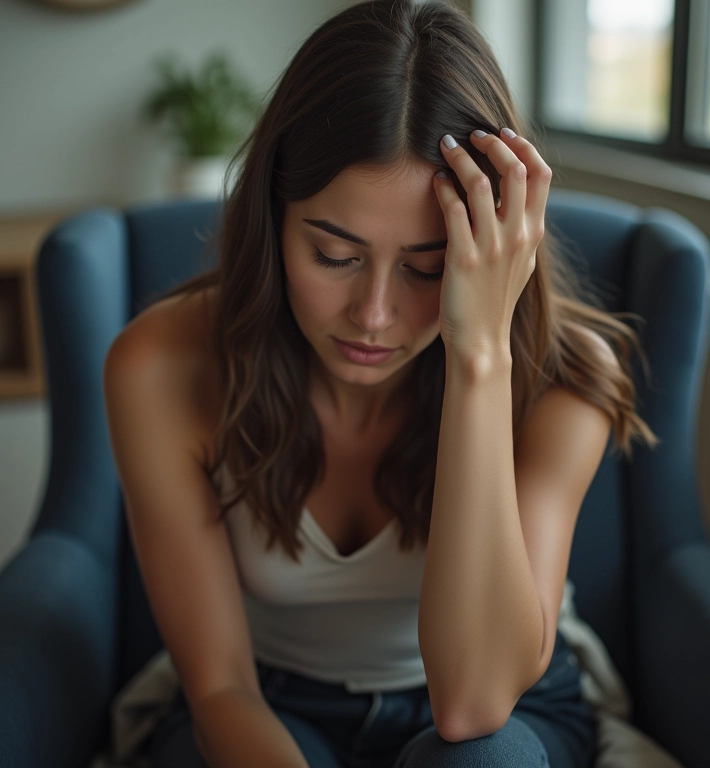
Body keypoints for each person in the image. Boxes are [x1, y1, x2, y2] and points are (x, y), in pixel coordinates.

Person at [103, 1, 660, 766]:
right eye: (335, 256)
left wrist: (479, 357)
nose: (373, 315)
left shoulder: (567, 378)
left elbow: (471, 700)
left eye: (430, 269)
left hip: (510, 714)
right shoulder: (161, 366)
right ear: (273, 217)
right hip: (268, 698)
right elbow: (219, 688)